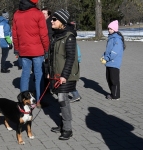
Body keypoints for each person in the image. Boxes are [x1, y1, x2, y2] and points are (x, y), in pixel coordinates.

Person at [46, 9, 80, 140]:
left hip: (67, 75)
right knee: (59, 99)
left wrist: (64, 76)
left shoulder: (69, 37)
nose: (52, 21)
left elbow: (71, 58)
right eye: (52, 19)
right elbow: (52, 57)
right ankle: (62, 125)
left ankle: (67, 129)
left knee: (62, 99)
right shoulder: (55, 36)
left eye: (54, 19)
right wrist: (49, 72)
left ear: (62, 22)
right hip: (56, 73)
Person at [12, 0, 49, 108]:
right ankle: (39, 100)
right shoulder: (38, 14)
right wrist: (46, 49)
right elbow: (44, 34)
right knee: (39, 75)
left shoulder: (16, 14)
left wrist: (17, 49)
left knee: (25, 74)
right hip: (37, 50)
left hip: (23, 50)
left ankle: (23, 100)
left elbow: (15, 34)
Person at [100, 20, 125, 100]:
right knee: (109, 78)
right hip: (109, 62)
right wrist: (103, 56)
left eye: (111, 29)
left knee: (114, 80)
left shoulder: (117, 39)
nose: (109, 30)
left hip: (114, 63)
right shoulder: (111, 38)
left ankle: (116, 95)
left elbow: (114, 52)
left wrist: (107, 58)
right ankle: (112, 93)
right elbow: (108, 50)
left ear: (115, 29)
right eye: (108, 29)